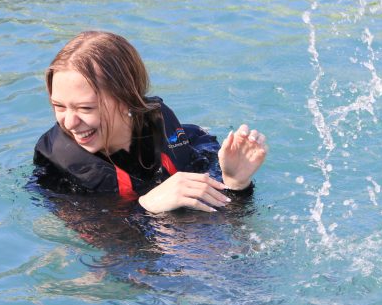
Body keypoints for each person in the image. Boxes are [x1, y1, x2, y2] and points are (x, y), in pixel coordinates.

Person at [33, 31, 267, 214]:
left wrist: (236, 184)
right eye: (59, 106)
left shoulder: (169, 132)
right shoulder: (59, 169)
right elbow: (108, 250)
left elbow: (231, 217)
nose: (70, 122)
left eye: (85, 108)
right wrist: (146, 205)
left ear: (127, 99)